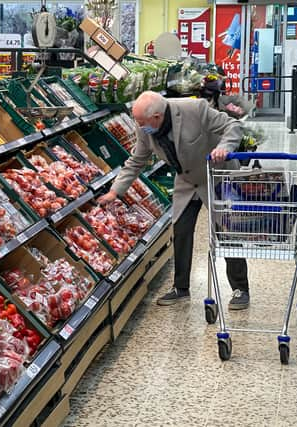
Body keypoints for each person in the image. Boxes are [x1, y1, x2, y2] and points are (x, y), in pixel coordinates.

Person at [98, 91, 250, 309]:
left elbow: (233, 126)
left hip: (215, 175)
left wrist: (225, 147)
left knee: (226, 231)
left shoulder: (194, 109)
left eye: (142, 122)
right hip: (187, 180)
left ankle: (240, 289)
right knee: (181, 230)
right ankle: (181, 288)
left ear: (157, 117)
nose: (139, 126)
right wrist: (115, 192)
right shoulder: (145, 128)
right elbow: (136, 160)